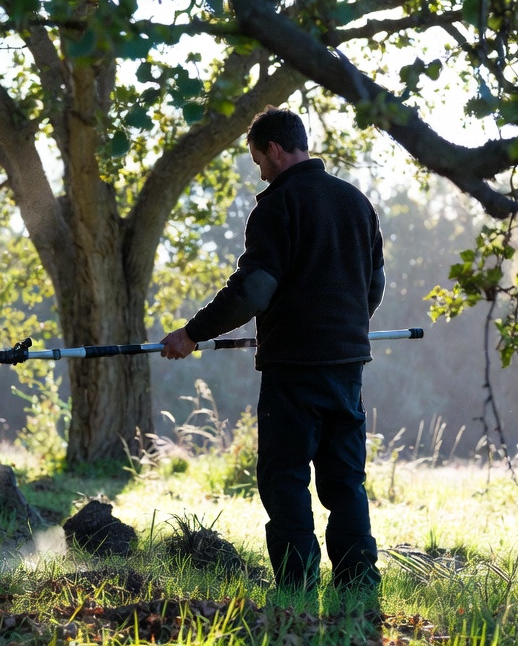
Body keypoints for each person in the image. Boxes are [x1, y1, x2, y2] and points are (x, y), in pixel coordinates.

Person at [161, 106, 385, 594]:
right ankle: (357, 587)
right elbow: (373, 288)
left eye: (258, 159)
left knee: (284, 478)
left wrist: (192, 333)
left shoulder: (278, 206)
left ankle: (297, 588)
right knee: (345, 480)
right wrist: (339, 331)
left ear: (276, 150)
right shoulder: (356, 203)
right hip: (348, 368)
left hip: (294, 372)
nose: (259, 170)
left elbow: (253, 290)